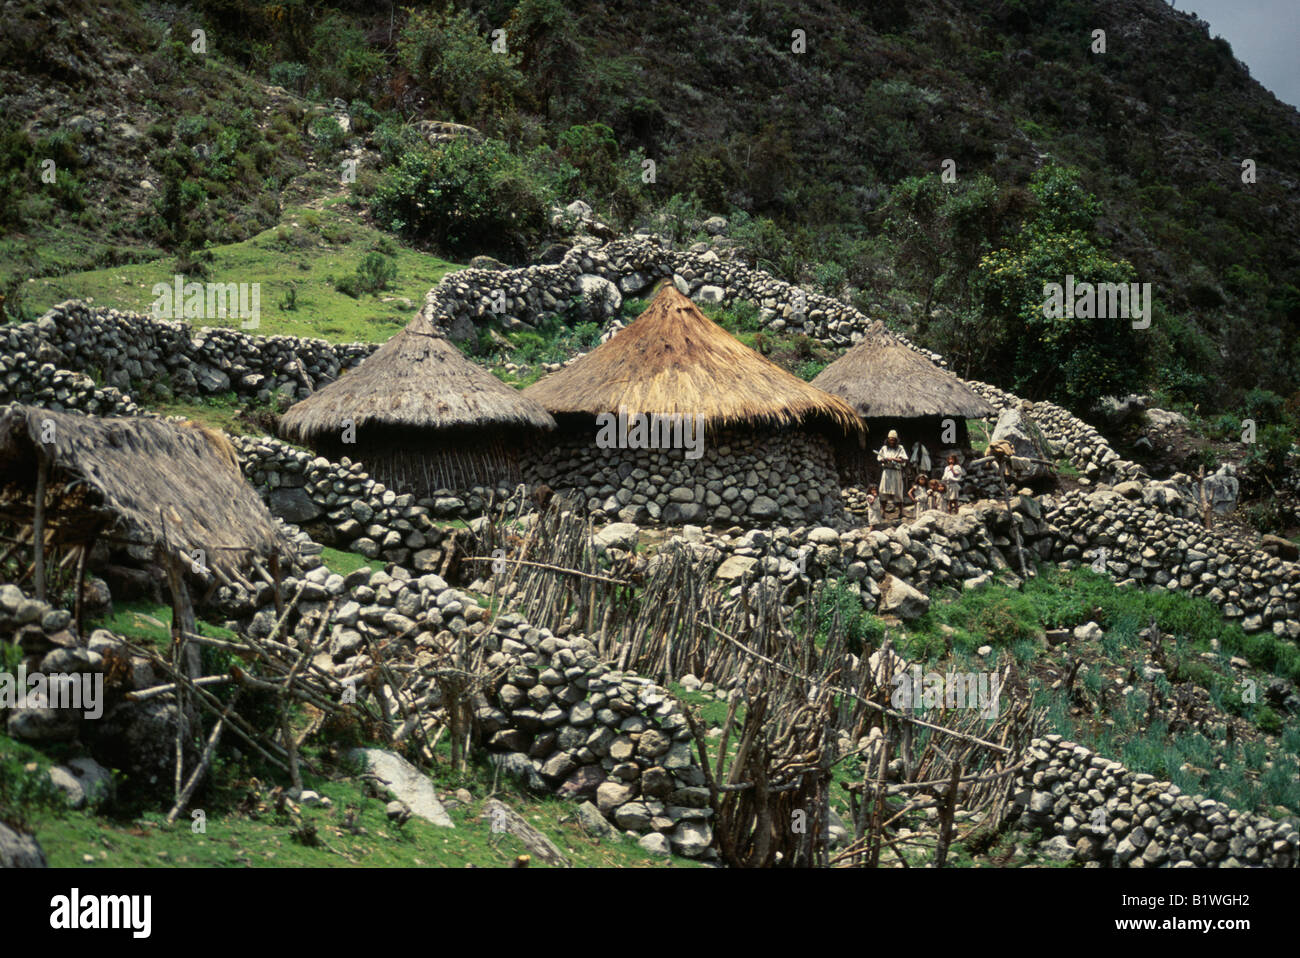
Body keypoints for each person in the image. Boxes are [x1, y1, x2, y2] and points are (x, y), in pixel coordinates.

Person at [876, 429, 908, 517]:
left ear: (896, 440)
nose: (892, 441)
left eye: (893, 439)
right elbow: (879, 458)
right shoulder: (884, 448)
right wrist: (884, 460)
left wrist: (893, 459)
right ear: (888, 439)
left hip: (896, 472)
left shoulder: (900, 448)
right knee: (883, 492)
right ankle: (883, 512)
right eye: (890, 439)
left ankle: (901, 512)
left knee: (898, 492)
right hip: (886, 472)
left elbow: (904, 459)